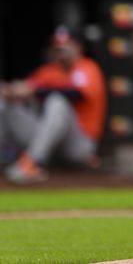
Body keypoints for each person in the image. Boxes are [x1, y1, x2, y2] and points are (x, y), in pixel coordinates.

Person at [0, 26, 106, 184]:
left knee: (58, 102)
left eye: (65, 44)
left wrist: (36, 92)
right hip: (50, 144)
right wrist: (9, 90)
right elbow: (24, 88)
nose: (60, 48)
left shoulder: (87, 68)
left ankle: (32, 164)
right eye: (57, 45)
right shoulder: (49, 71)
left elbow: (75, 94)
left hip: (79, 144)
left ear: (78, 46)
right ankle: (9, 157)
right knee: (6, 104)